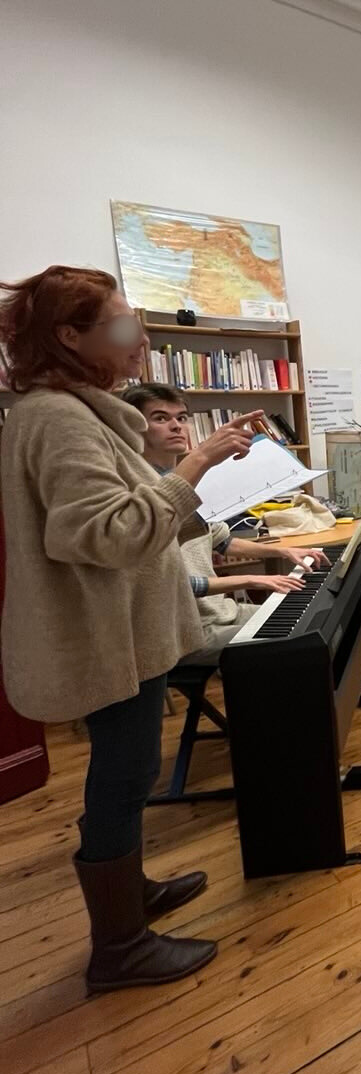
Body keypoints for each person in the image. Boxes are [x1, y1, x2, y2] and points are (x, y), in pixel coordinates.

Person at [0, 266, 264, 991]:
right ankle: (120, 947)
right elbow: (110, 535)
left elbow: (144, 519)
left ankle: (131, 896)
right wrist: (198, 461)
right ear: (70, 337)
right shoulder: (57, 417)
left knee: (130, 771)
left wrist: (197, 470)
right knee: (123, 778)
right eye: (121, 327)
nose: (140, 339)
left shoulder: (78, 411)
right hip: (105, 636)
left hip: (127, 630)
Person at [124, 383, 327, 661]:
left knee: (313, 618)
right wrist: (253, 579)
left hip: (221, 612)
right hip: (186, 631)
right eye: (161, 418)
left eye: (181, 418)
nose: (176, 426)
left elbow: (223, 540)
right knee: (298, 640)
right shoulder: (138, 493)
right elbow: (169, 582)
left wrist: (282, 551)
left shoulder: (189, 482)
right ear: (134, 427)